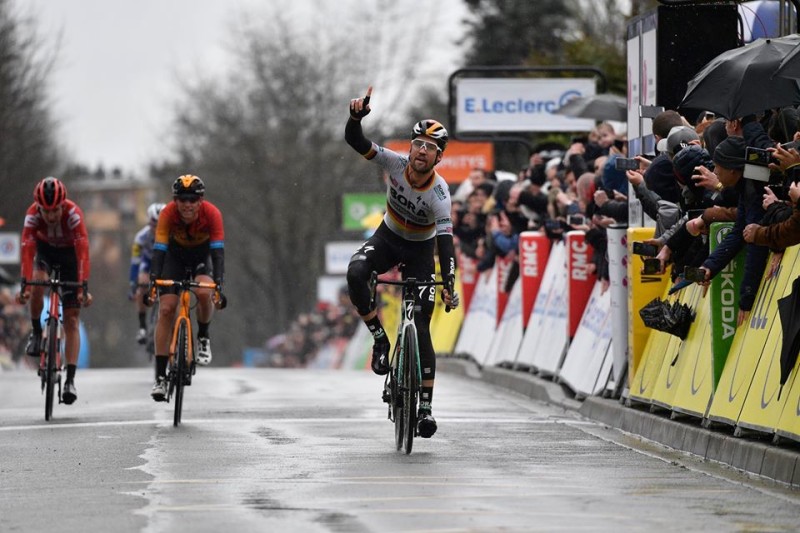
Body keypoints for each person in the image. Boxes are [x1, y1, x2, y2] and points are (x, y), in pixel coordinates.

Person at [345, 86, 459, 438]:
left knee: (421, 325)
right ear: (410, 147)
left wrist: (448, 285)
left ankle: (425, 407)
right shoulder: (393, 163)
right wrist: (355, 117)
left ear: (439, 159)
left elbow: (446, 243)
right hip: (388, 237)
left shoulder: (440, 194)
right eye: (418, 145)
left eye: (431, 149)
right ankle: (380, 338)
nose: (422, 152)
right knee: (356, 272)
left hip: (421, 250)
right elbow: (355, 141)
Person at [148, 175, 226, 401]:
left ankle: (203, 336)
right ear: (175, 200)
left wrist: (219, 283)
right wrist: (154, 280)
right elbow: (159, 250)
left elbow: (218, 253)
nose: (187, 204)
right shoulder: (168, 214)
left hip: (202, 258)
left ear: (201, 200)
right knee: (166, 309)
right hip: (174, 258)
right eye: (182, 199)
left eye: (193, 199)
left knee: (203, 292)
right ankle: (160, 377)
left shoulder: (212, 214)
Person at [17, 177, 92, 405]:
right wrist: (25, 284)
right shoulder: (32, 215)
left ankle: (70, 380)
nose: (50, 216)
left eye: (55, 210)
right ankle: (37, 333)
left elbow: (83, 252)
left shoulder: (73, 214)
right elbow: (27, 248)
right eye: (45, 211)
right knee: (37, 283)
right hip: (45, 252)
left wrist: (83, 286)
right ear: (38, 207)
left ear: (63, 205)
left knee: (71, 320)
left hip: (70, 257)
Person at [129, 202, 165, 345]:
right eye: (154, 223)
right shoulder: (141, 237)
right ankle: (142, 326)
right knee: (142, 285)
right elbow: (135, 262)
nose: (156, 228)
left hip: (165, 263)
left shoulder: (172, 234)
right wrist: (133, 284)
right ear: (149, 222)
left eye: (160, 224)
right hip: (148, 263)